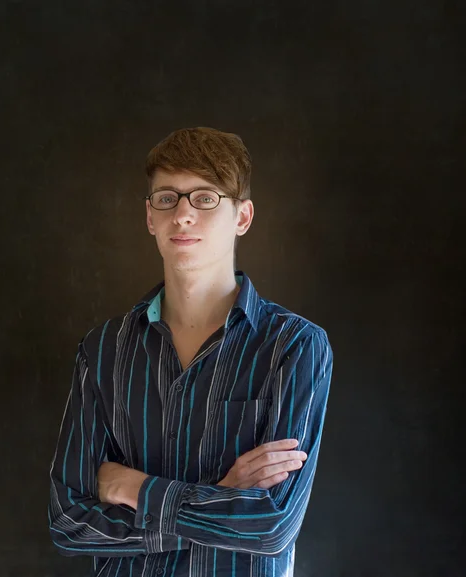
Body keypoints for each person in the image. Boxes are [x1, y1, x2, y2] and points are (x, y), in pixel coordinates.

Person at [48, 127, 333, 576]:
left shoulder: (294, 346)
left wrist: (137, 488)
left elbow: (272, 526)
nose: (182, 214)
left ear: (243, 216)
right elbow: (69, 523)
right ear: (149, 216)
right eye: (167, 198)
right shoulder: (101, 350)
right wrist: (222, 495)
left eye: (205, 198)